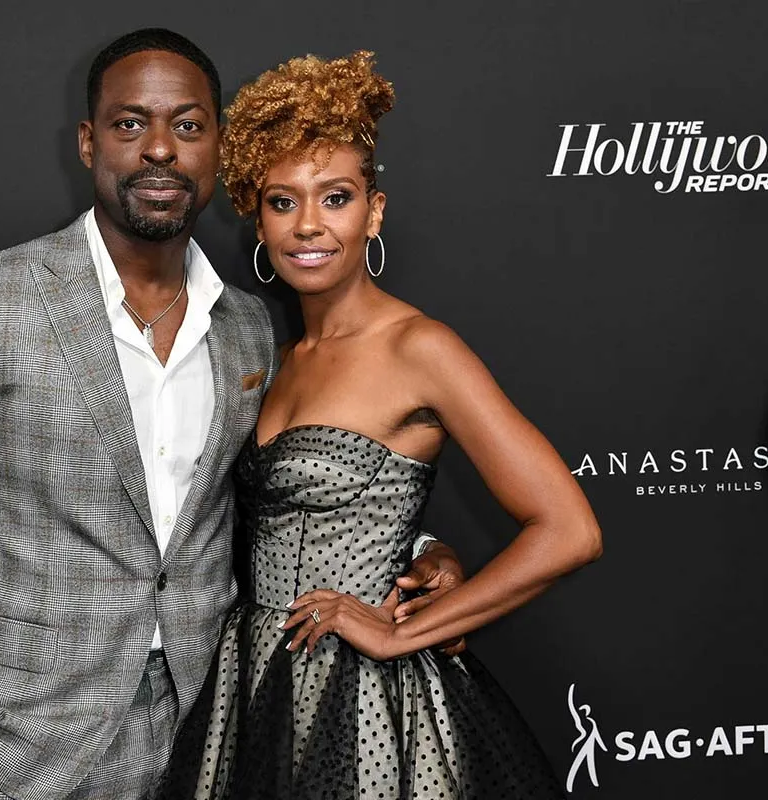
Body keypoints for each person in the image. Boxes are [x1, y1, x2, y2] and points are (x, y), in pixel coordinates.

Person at [0, 31, 467, 800]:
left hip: (212, 733)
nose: (160, 149)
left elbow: (272, 497)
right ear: (89, 142)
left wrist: (420, 551)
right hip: (25, 747)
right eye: (130, 123)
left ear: (218, 147)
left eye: (188, 125)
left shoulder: (247, 326)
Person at [162, 51, 602, 799]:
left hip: (368, 699)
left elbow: (570, 530)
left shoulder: (420, 348)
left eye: (335, 198)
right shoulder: (277, 355)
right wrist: (430, 551)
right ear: (257, 220)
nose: (309, 225)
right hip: (255, 685)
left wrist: (403, 630)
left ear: (374, 211)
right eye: (282, 201)